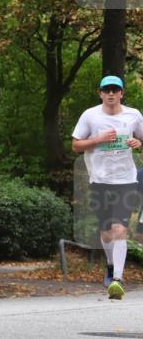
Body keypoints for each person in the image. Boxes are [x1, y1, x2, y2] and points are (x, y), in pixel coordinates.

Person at [71, 75, 143, 300]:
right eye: (106, 90)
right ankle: (111, 265)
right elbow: (75, 145)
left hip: (126, 180)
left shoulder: (134, 115)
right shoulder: (90, 116)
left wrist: (138, 143)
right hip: (99, 180)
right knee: (105, 232)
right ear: (100, 93)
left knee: (120, 229)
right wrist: (98, 140)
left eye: (115, 90)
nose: (111, 94)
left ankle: (117, 280)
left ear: (122, 93)